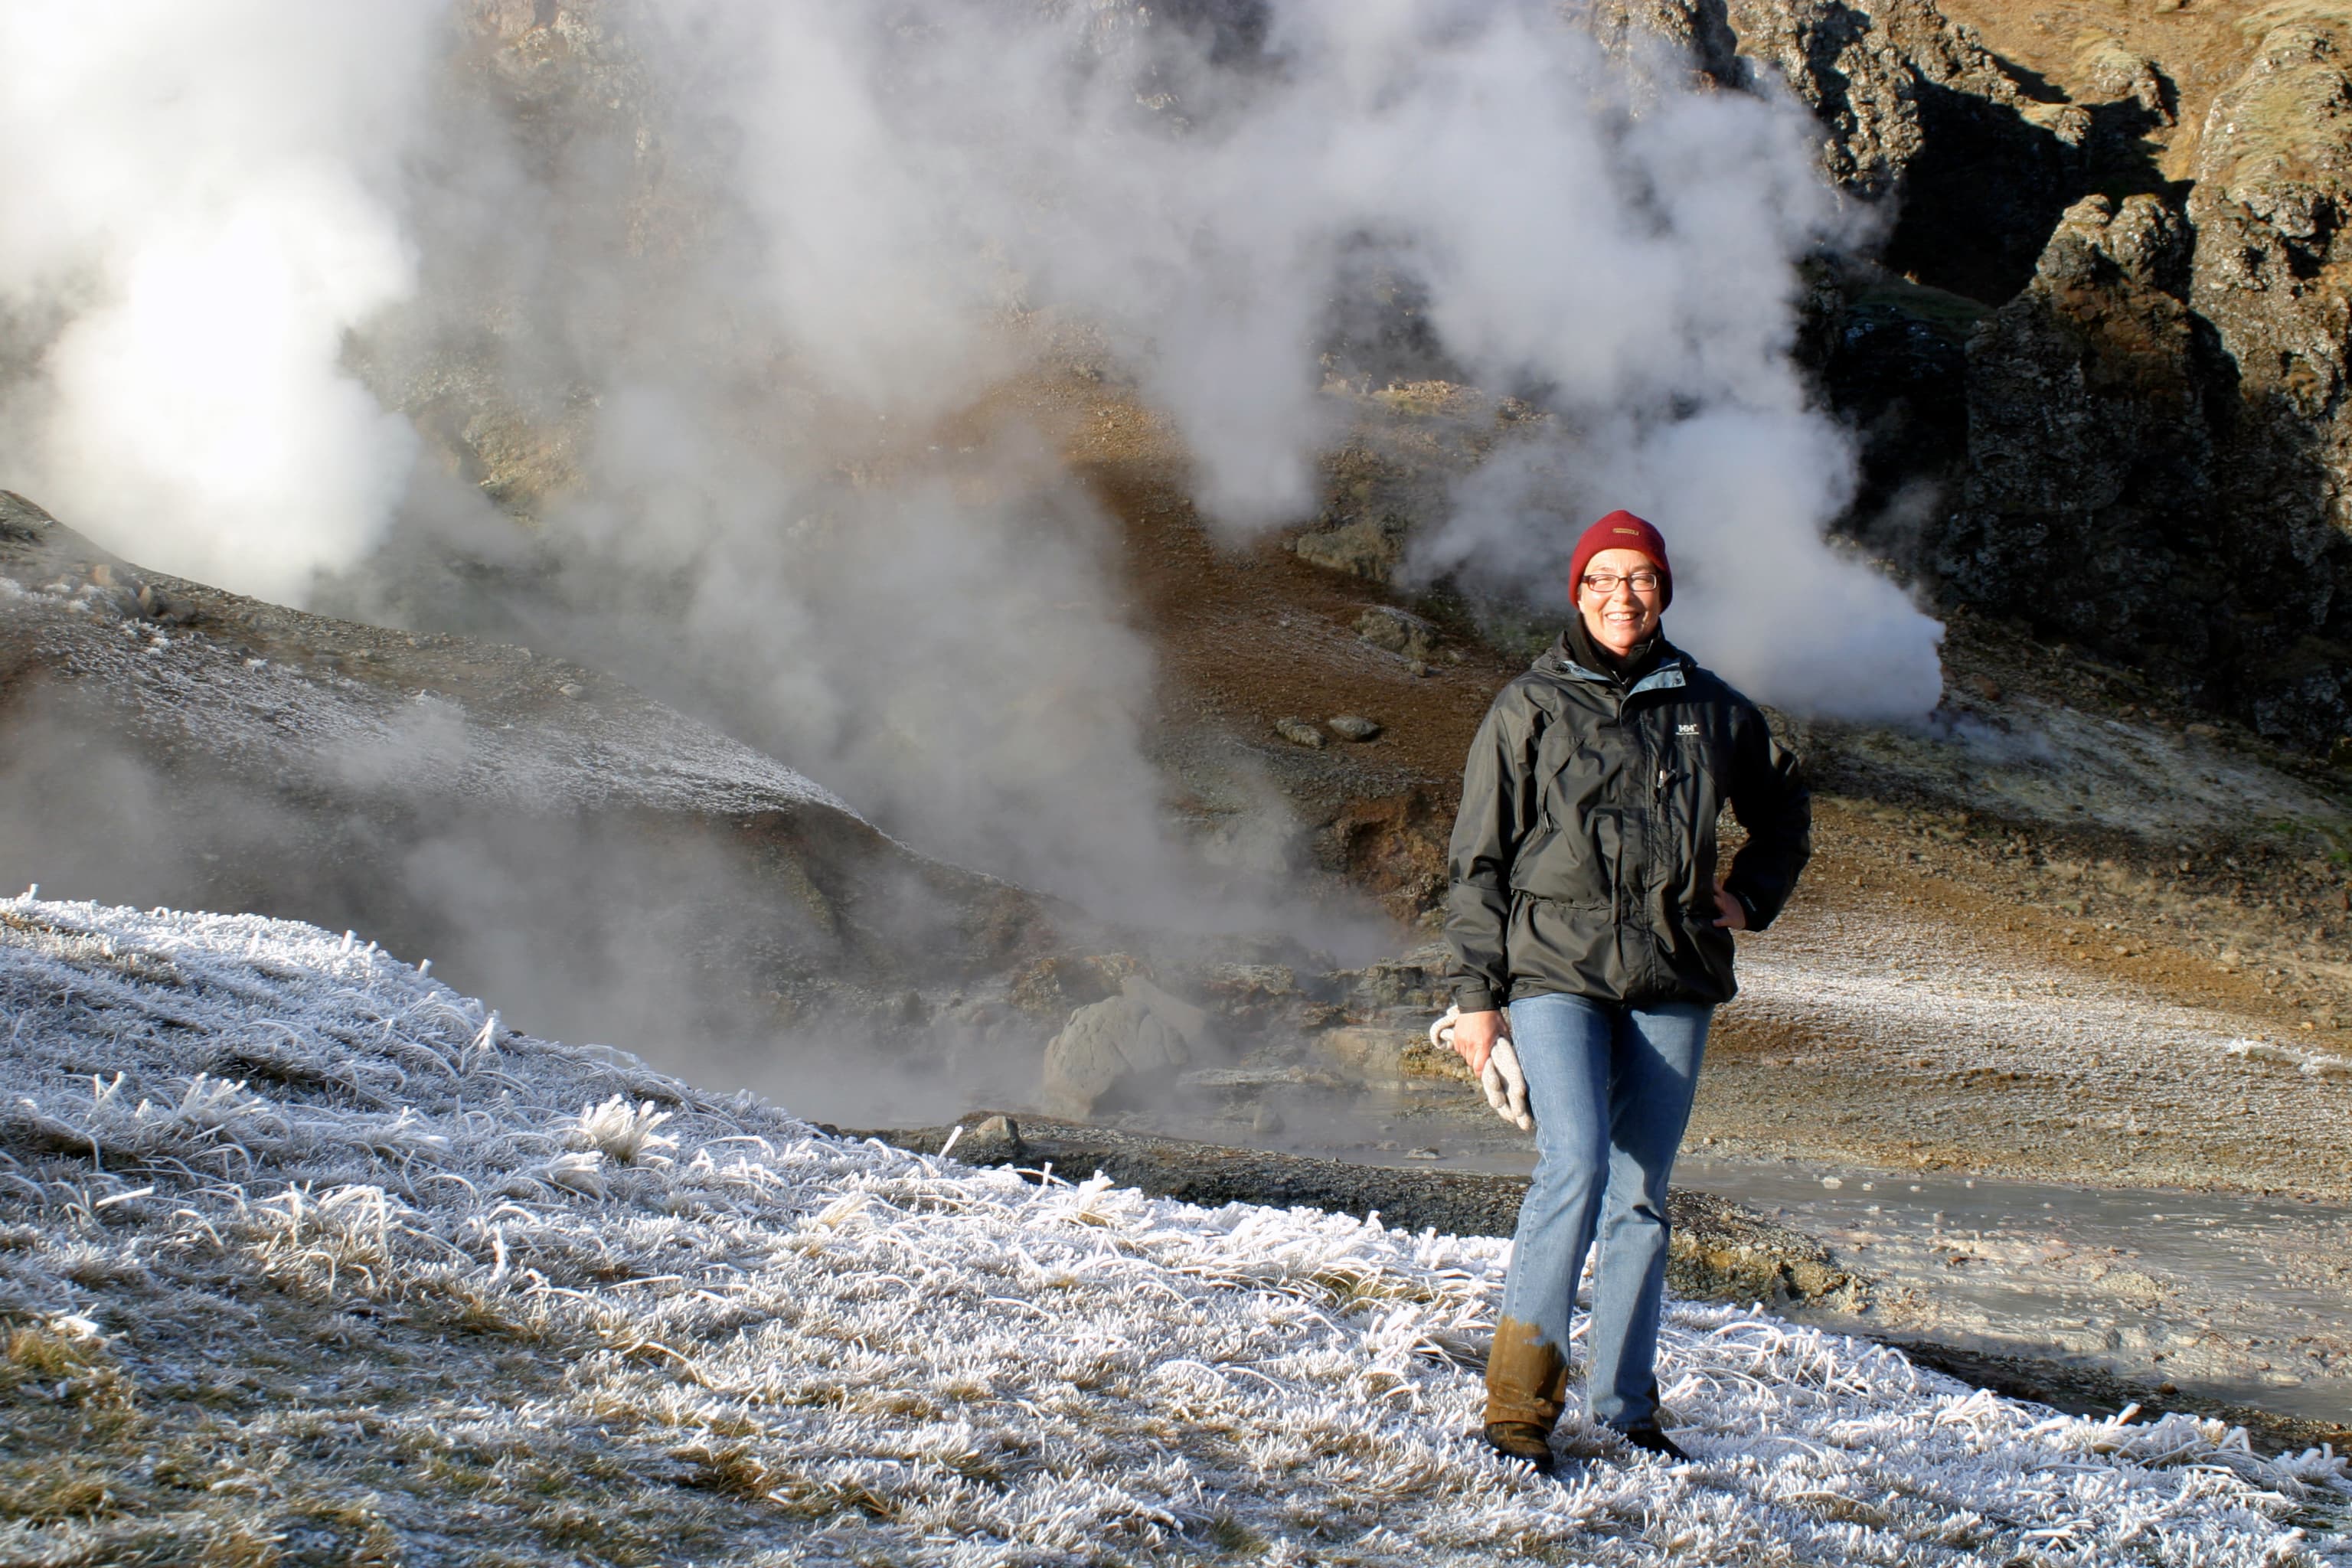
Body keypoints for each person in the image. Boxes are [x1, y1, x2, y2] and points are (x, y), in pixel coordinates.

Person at [1444, 509, 1810, 1472]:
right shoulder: (1527, 706)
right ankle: (1519, 1412)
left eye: (1640, 577)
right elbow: (1477, 859)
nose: (1622, 595)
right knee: (1576, 1166)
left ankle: (1626, 1409)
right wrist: (1478, 998)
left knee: (1643, 1191)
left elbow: (1784, 806)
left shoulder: (1712, 708)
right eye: (1603, 577)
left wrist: (1749, 895)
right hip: (1555, 970)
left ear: (1664, 591)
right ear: (1577, 590)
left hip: (1671, 974)